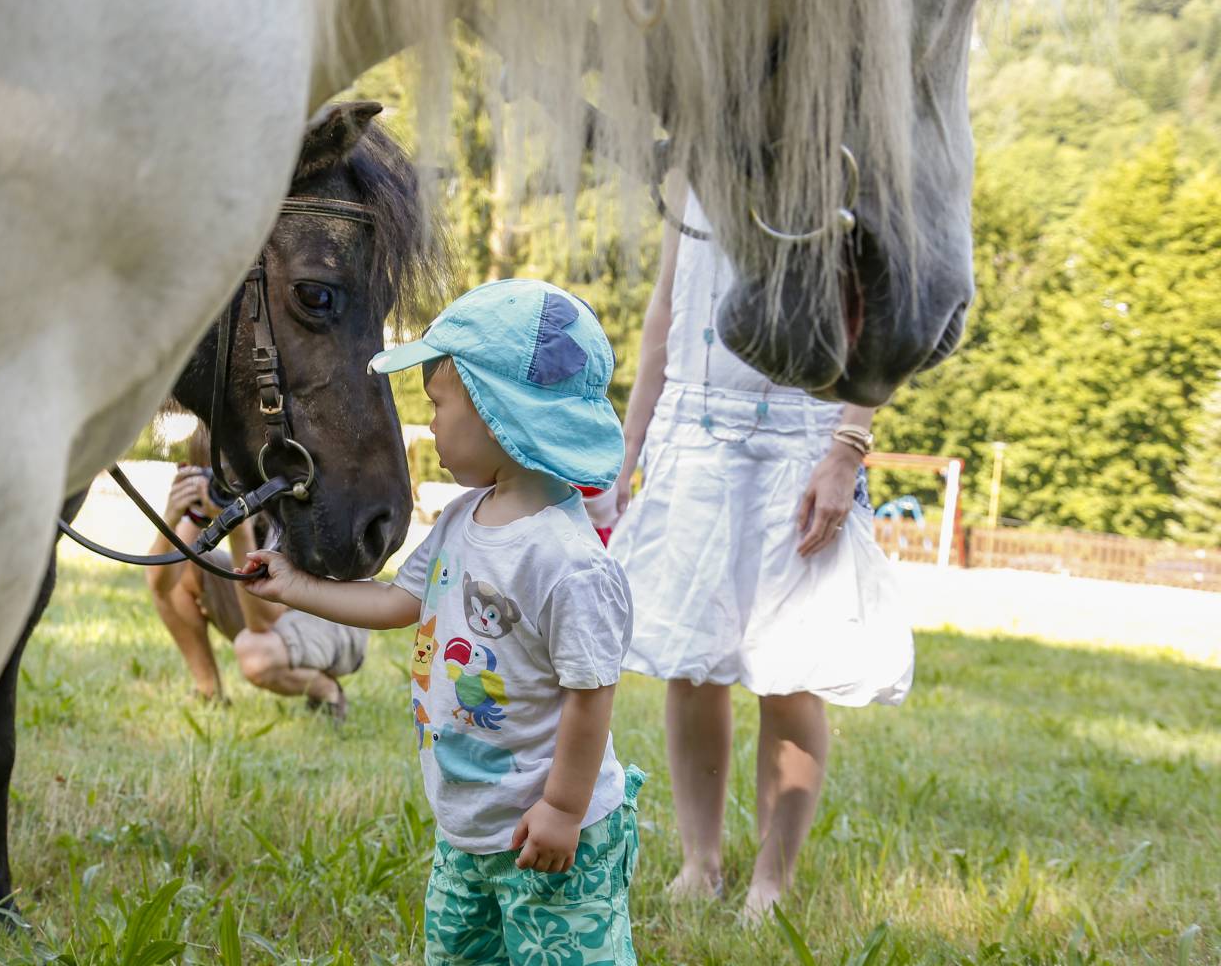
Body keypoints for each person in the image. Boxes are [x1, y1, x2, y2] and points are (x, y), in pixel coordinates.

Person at [244, 280, 642, 964]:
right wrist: (297, 585)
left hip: (545, 833)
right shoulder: (463, 519)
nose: (429, 429)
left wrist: (564, 810)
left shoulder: (568, 560)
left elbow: (590, 695)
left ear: (496, 409)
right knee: (460, 954)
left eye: (438, 406)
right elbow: (400, 604)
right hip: (467, 821)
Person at [605, 182, 913, 920]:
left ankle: (771, 883)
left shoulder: (843, 166)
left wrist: (847, 449)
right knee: (693, 664)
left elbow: (884, 317)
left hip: (802, 443)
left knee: (790, 674)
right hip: (694, 434)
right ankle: (699, 863)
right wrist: (629, 447)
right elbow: (666, 312)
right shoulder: (695, 172)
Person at [146, 431, 366, 717]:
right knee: (185, 568)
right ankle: (209, 692)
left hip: (336, 619)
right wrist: (175, 516)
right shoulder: (210, 496)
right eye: (214, 478)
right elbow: (161, 586)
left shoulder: (287, 496)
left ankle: (327, 692)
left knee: (255, 653)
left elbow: (263, 622)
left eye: (233, 478)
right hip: (277, 611)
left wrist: (239, 533)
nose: (224, 488)